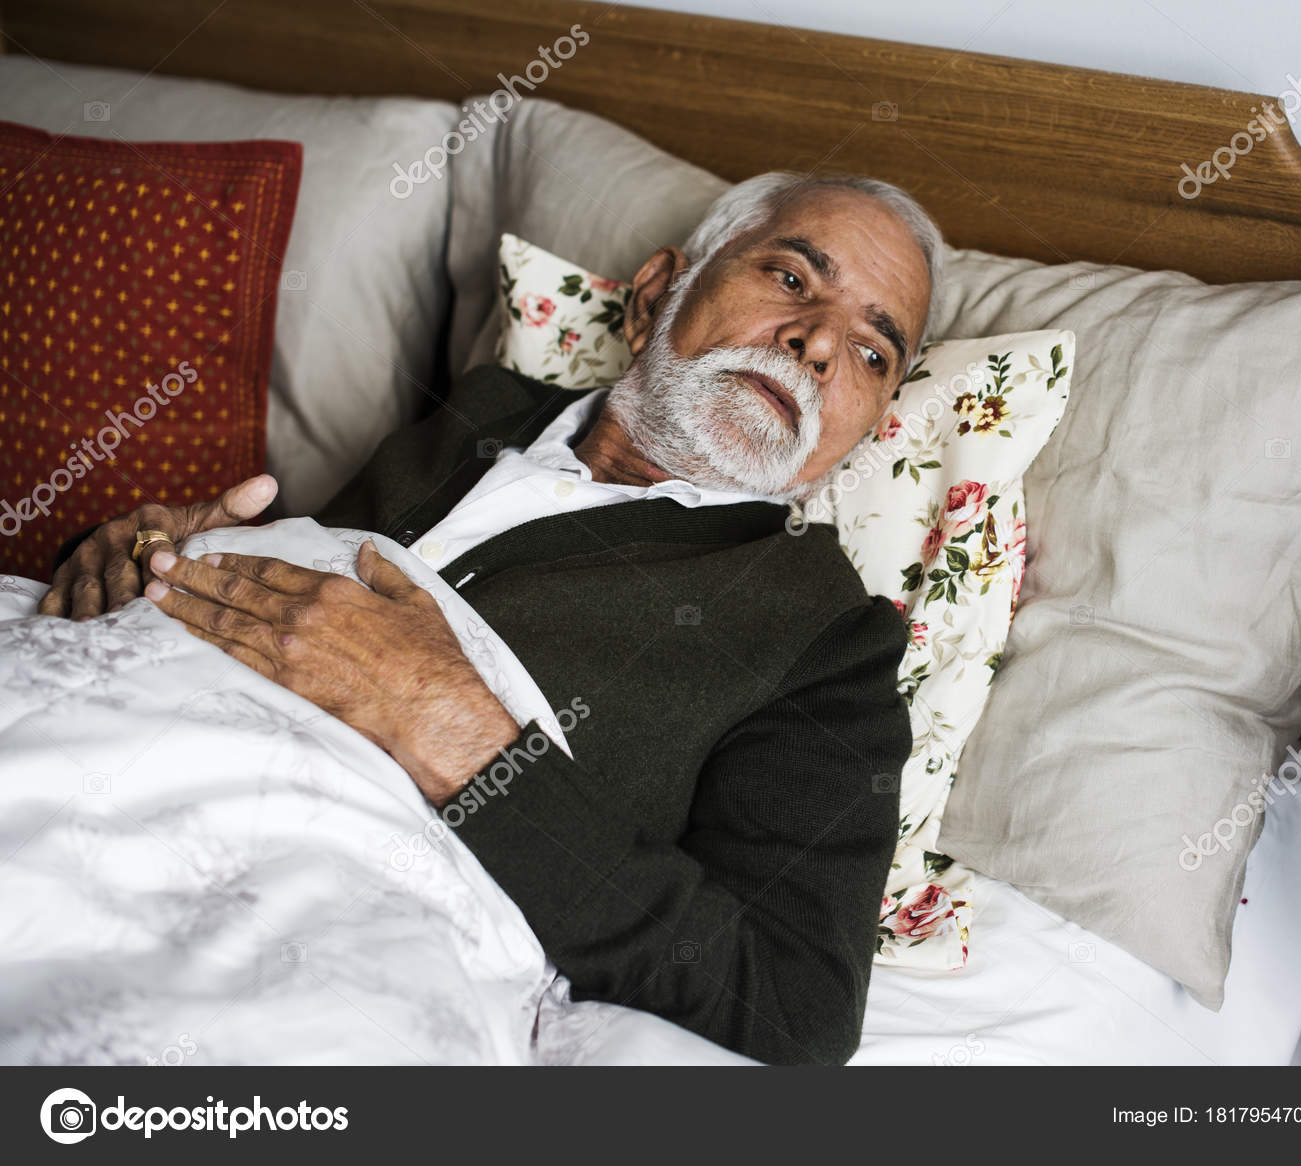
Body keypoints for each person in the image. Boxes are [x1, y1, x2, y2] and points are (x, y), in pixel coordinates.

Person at [37, 171, 944, 1065]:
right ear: (657, 297)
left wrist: (463, 738)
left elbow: (796, 1006)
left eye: (874, 352)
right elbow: (303, 592)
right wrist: (153, 550)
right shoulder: (479, 410)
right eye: (791, 279)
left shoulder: (824, 639)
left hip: (302, 912)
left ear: (865, 426)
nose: (819, 344)